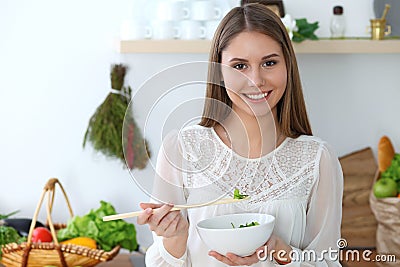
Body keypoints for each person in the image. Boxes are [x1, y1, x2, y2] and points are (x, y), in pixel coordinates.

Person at [138, 3, 343, 266]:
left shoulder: (317, 159)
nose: (256, 80)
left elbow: (327, 262)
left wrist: (283, 252)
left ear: (288, 66)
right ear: (219, 72)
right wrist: (175, 238)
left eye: (269, 62)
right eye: (239, 66)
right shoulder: (182, 148)